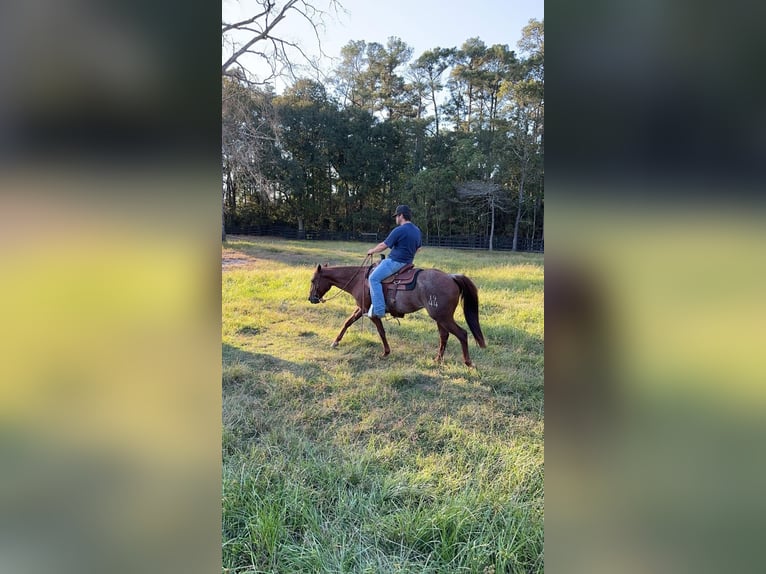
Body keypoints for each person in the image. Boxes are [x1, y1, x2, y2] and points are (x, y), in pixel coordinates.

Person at [366, 204, 422, 319]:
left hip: (394, 262)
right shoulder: (417, 230)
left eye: (396, 216)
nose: (396, 218)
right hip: (408, 263)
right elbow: (418, 248)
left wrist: (372, 251)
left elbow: (384, 245)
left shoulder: (399, 230)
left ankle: (379, 310)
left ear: (401, 216)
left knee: (373, 278)